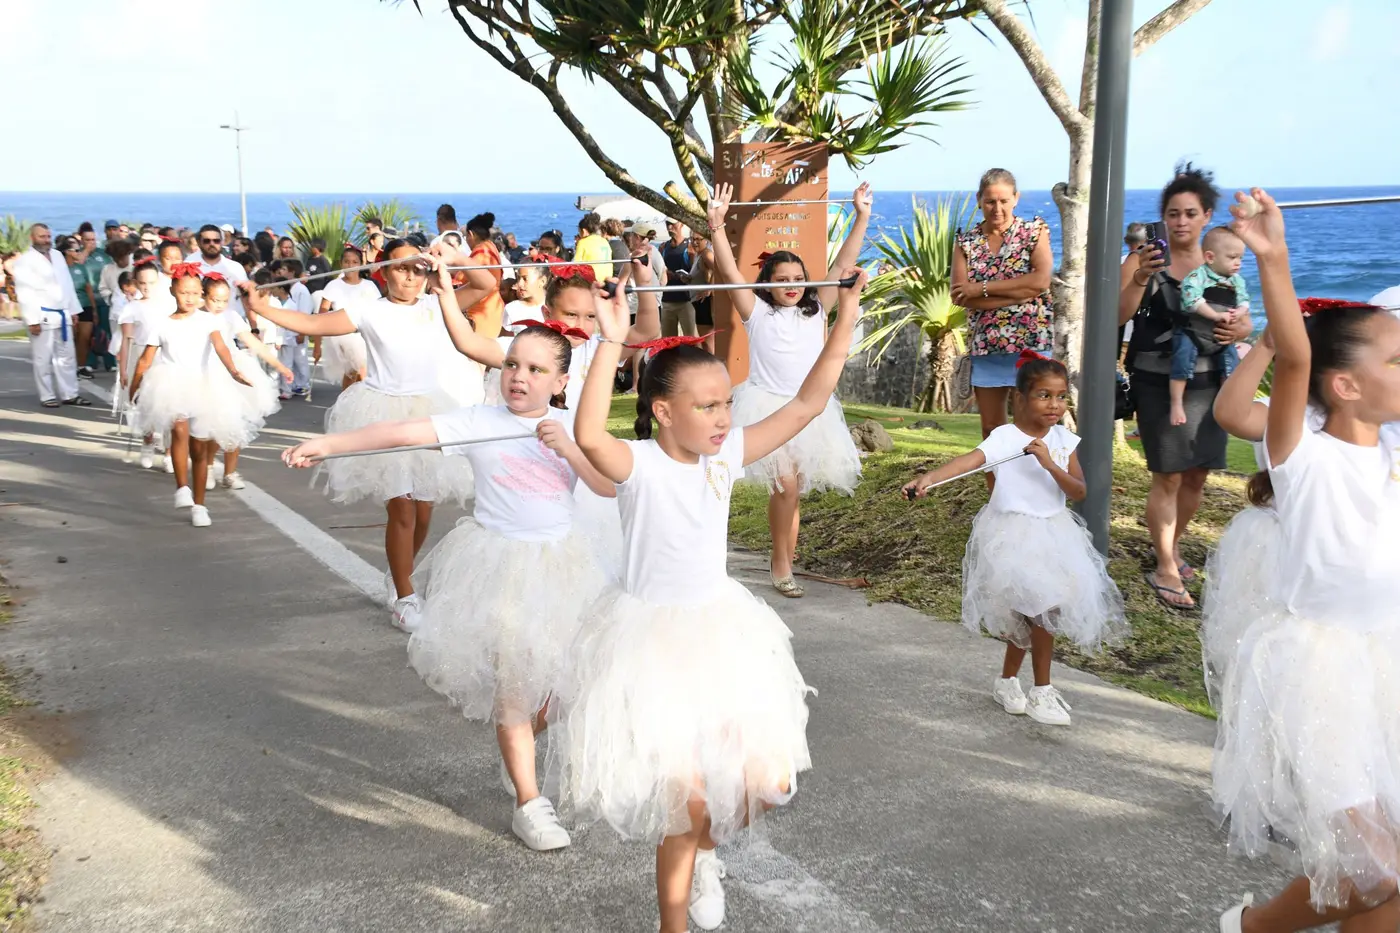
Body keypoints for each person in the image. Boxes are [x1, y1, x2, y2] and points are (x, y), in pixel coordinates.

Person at [553, 263, 867, 933]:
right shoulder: (639, 464)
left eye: (727, 402)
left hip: (722, 633)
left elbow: (807, 403)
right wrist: (610, 341)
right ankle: (673, 917)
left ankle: (706, 852)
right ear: (664, 412)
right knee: (686, 800)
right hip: (649, 644)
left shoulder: (727, 455)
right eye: (707, 406)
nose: (724, 417)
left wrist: (845, 317)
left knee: (768, 784)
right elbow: (589, 437)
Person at [283, 315, 618, 853]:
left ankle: (520, 747)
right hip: (500, 569)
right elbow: (400, 433)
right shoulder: (479, 421)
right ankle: (529, 803)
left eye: (536, 369)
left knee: (565, 688)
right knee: (514, 686)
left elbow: (607, 486)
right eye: (512, 364)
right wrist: (330, 445)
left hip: (565, 567)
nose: (519, 376)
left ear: (561, 381)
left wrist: (571, 448)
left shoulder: (574, 424)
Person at [1212, 189, 1400, 933]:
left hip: (1381, 661)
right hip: (1316, 670)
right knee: (1377, 869)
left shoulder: (1389, 452)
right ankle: (1250, 927)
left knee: (1384, 878)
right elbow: (1294, 358)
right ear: (1346, 385)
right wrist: (1276, 258)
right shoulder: (1302, 454)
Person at [238, 241, 480, 631]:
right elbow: (312, 324)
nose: (410, 277)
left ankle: (399, 574)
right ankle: (405, 597)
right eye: (401, 268)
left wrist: (453, 260)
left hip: (428, 411)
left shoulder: (437, 304)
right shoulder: (369, 310)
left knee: (424, 509)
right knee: (402, 507)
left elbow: (485, 285)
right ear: (383, 271)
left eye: (417, 269)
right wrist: (261, 307)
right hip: (383, 411)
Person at [903, 351, 1126, 726]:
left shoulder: (1063, 440)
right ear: (1019, 398)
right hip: (1012, 535)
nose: (1054, 405)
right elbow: (969, 462)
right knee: (1040, 610)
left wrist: (1048, 462)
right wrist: (928, 479)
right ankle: (1041, 691)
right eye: (1044, 395)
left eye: (1061, 396)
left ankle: (1009, 682)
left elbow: (1079, 491)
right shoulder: (1005, 437)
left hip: (1055, 534)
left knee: (1037, 612)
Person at [706, 182, 867, 598]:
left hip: (810, 410)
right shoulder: (757, 312)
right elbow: (730, 272)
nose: (792, 285)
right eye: (782, 280)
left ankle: (786, 561)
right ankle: (780, 565)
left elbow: (843, 264)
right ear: (768, 283)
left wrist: (861, 216)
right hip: (766, 407)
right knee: (786, 487)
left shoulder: (817, 310)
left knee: (793, 494)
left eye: (798, 279)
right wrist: (717, 226)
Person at [1118, 162, 1255, 610]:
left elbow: (1244, 318)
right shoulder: (1144, 260)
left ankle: (1172, 547)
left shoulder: (1220, 262)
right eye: (1173, 214)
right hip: (1158, 381)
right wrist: (1141, 277)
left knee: (1198, 473)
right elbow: (1116, 314)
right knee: (1169, 474)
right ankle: (1164, 567)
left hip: (1212, 379)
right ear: (1163, 217)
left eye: (1191, 214)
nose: (1181, 222)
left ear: (1207, 216)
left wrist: (1240, 330)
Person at [129, 265, 253, 527]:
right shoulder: (162, 324)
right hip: (171, 385)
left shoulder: (208, 321)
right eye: (184, 292)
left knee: (199, 449)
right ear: (173, 291)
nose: (189, 298)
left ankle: (199, 505)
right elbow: (145, 359)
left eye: (195, 293)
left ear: (201, 294)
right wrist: (135, 386)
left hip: (202, 386)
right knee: (178, 429)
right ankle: (182, 487)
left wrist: (233, 370)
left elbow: (221, 347)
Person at [950, 168, 1055, 444]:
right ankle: (999, 475)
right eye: (990, 201)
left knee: (1032, 424)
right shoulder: (966, 241)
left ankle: (1036, 473)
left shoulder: (1034, 232)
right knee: (992, 429)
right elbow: (960, 295)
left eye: (1004, 201)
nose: (997, 208)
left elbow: (1040, 281)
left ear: (1016, 198)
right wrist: (1019, 295)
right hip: (986, 345)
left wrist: (981, 289)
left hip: (1030, 343)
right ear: (979, 200)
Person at [202, 274, 289, 492]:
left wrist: (279, 366)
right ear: (204, 296)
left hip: (235, 369)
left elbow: (253, 343)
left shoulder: (231, 316)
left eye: (224, 300)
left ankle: (230, 473)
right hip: (208, 371)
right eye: (215, 300)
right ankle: (209, 466)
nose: (220, 305)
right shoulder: (197, 317)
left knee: (236, 422)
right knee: (213, 425)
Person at [1169, 226, 1250, 425]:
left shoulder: (1236, 281)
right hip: (1194, 331)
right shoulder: (1198, 277)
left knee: (1230, 366)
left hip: (1220, 335)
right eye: (1232, 257)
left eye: (1240, 258)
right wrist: (1215, 315)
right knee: (1182, 360)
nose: (1238, 263)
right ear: (1210, 257)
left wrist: (1239, 312)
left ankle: (1225, 403)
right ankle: (1176, 403)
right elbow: (1192, 300)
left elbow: (1244, 301)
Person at [11, 224, 88, 408]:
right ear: (32, 237)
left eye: (48, 236)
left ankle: (70, 394)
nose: (46, 240)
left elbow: (67, 284)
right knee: (42, 358)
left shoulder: (57, 256)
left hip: (62, 313)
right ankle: (47, 395)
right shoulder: (25, 261)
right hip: (41, 314)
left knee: (67, 357)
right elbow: (24, 293)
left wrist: (73, 310)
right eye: (42, 236)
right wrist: (32, 320)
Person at [116, 259, 173, 469]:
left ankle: (169, 452)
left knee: (169, 405)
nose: (147, 287)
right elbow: (126, 340)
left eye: (151, 282)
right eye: (142, 283)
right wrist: (123, 370)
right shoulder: (132, 308)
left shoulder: (170, 304)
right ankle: (148, 441)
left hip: (166, 358)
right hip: (142, 358)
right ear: (136, 283)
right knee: (145, 404)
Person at [315, 244, 378, 389]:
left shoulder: (369, 286)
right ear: (341, 263)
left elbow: (378, 312)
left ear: (361, 264)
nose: (350, 265)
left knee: (360, 375)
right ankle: (347, 399)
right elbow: (321, 316)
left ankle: (352, 399)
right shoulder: (333, 285)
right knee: (357, 371)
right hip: (343, 336)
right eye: (347, 262)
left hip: (365, 335)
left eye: (355, 262)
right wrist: (317, 345)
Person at [186, 225, 250, 319]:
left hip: (231, 322)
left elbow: (246, 298)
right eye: (207, 241)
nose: (212, 244)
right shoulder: (189, 264)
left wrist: (252, 325)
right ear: (199, 243)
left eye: (216, 240)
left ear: (222, 242)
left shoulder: (235, 268)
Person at [659, 220, 696, 338]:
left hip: (686, 301)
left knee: (691, 341)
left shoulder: (690, 247)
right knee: (667, 342)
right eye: (667, 224)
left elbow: (696, 273)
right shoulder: (663, 247)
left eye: (673, 224)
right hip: (667, 301)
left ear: (681, 224)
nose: (670, 227)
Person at [688, 229, 716, 353]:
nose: (694, 242)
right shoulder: (698, 255)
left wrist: (709, 288)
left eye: (698, 239)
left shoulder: (706, 254)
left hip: (704, 302)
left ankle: (712, 363)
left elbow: (718, 270)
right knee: (704, 341)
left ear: (706, 240)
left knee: (708, 342)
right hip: (697, 301)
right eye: (692, 239)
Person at [572, 211, 612, 283]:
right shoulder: (605, 241)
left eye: (579, 231)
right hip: (607, 279)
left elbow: (575, 264)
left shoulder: (583, 242)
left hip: (592, 280)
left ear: (584, 231)